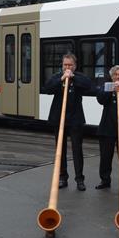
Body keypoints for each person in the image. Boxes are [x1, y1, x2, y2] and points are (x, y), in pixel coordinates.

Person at [44, 53, 92, 191]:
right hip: (59, 119)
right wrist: (61, 79)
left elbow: (89, 86)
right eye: (65, 65)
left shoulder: (79, 77)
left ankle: (79, 179)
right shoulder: (57, 77)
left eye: (70, 65)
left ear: (75, 66)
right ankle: (62, 178)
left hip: (75, 119)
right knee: (60, 150)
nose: (67, 67)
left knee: (77, 150)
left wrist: (73, 78)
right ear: (62, 65)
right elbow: (47, 88)